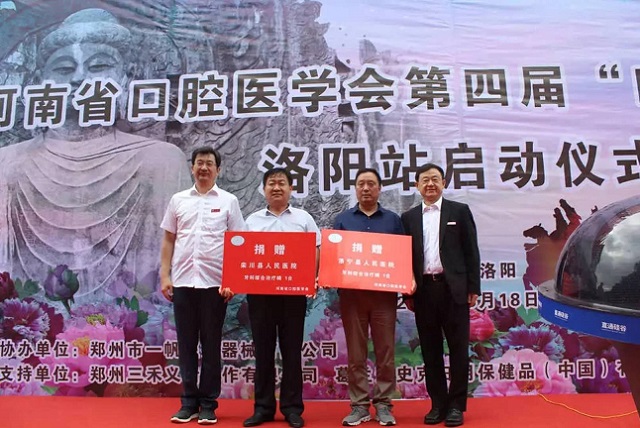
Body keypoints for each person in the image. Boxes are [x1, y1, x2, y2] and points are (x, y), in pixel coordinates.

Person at [0, 8, 191, 298]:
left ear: (126, 77)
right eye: (64, 69)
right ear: (41, 80)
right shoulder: (7, 162)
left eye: (99, 65)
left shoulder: (161, 161)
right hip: (27, 320)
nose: (79, 78)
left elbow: (172, 274)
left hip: (133, 322)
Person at [160, 146, 245, 425]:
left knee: (210, 346)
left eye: (209, 163)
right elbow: (169, 240)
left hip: (214, 285)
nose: (204, 168)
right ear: (192, 167)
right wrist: (165, 276)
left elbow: (238, 243)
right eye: (199, 163)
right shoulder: (178, 200)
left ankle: (208, 404)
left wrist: (232, 280)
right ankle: (188, 403)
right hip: (183, 283)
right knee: (186, 346)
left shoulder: (229, 201)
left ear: (218, 170)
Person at [400, 163, 480, 428]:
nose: (430, 184)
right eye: (425, 180)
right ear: (417, 186)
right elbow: (404, 257)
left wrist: (473, 288)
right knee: (430, 350)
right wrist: (407, 292)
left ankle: (456, 406)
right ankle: (438, 404)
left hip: (453, 289)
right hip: (424, 291)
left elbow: (471, 251)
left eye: (435, 179)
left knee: (458, 350)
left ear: (444, 183)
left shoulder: (459, 211)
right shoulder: (408, 218)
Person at [242, 168, 321, 428]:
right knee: (263, 352)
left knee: (291, 352)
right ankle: (263, 408)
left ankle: (292, 408)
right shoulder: (252, 221)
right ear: (264, 189)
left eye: (282, 183)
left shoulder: (303, 218)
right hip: (260, 295)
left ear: (291, 189)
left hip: (293, 295)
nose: (276, 188)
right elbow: (241, 255)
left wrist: (312, 278)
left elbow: (316, 249)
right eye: (271, 183)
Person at [332, 168, 405, 427]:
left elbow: (402, 256)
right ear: (355, 188)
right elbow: (334, 258)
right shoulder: (343, 220)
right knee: (356, 354)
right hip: (352, 298)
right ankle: (360, 405)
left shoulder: (393, 221)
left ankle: (384, 404)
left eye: (371, 184)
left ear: (379, 188)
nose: (366, 188)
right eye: (361, 184)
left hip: (384, 297)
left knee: (385, 352)